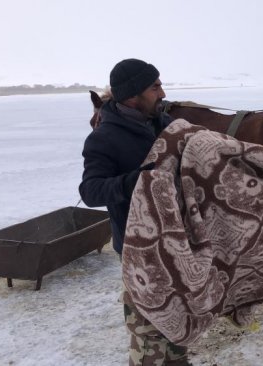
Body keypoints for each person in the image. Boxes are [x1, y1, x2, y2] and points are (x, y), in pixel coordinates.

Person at [79, 58, 190, 366]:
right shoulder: (104, 139)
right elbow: (90, 191)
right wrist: (139, 180)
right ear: (131, 96)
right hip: (138, 251)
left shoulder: (165, 126)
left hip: (177, 242)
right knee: (148, 330)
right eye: (155, 87)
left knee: (178, 319)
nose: (163, 93)